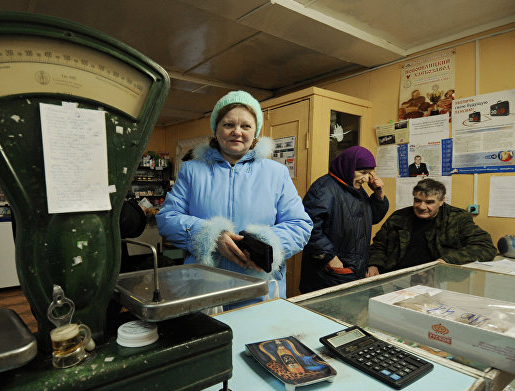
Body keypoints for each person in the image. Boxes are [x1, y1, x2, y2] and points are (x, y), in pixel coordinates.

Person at [156, 90, 313, 305]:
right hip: (203, 290)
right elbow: (166, 218)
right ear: (216, 129)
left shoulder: (276, 173)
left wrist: (267, 244)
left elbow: (300, 225)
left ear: (255, 131)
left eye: (245, 126)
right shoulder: (192, 170)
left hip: (259, 289)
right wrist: (209, 236)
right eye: (228, 124)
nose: (236, 132)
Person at [299, 146, 389, 293]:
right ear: (348, 166)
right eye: (362, 172)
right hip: (329, 271)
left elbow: (373, 218)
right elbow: (309, 227)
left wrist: (379, 195)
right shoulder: (323, 188)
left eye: (369, 173)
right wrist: (330, 258)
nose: (366, 179)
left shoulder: (357, 189)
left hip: (353, 270)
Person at [367, 178, 496, 277]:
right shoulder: (399, 217)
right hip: (395, 277)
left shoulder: (457, 219)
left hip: (436, 280)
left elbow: (485, 246)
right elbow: (379, 245)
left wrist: (446, 260)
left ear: (441, 201)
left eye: (429, 202)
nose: (422, 207)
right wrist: (374, 265)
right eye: (417, 200)